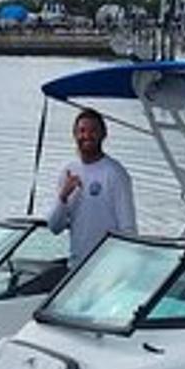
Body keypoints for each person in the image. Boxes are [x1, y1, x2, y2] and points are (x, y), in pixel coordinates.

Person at [48, 108, 136, 266]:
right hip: (76, 267)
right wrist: (63, 196)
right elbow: (54, 227)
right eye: (82, 131)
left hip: (105, 269)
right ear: (74, 135)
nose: (87, 136)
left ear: (104, 134)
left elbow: (128, 229)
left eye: (93, 131)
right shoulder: (69, 172)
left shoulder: (115, 173)